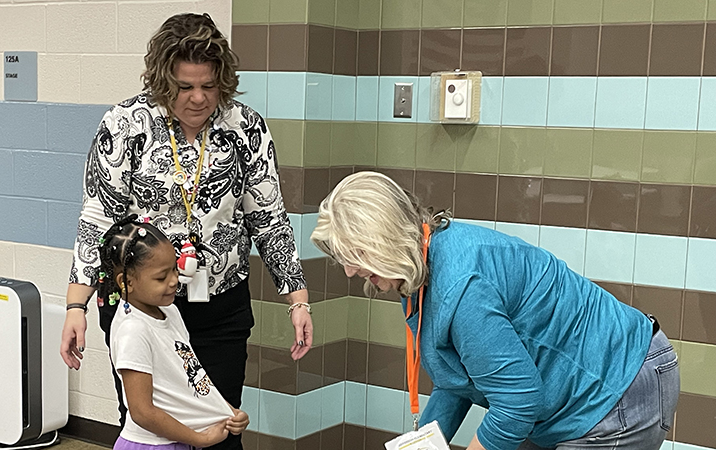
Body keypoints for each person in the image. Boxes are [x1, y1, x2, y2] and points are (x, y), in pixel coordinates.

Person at [59, 13, 312, 450]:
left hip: (219, 307)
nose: (198, 98)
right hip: (140, 310)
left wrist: (298, 301)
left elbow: (269, 218)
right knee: (148, 428)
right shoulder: (125, 124)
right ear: (162, 81)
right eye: (184, 87)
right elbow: (98, 219)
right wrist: (75, 305)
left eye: (209, 86)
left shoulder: (244, 127)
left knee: (222, 424)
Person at [310, 171, 680, 450]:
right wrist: (422, 443)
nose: (349, 271)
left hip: (620, 387)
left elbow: (517, 404)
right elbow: (459, 379)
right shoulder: (422, 266)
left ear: (387, 240)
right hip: (578, 389)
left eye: (355, 256)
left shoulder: (462, 287)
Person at [98, 215, 249, 450]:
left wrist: (227, 411)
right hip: (151, 445)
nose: (173, 281)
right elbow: (142, 412)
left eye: (174, 270)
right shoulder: (133, 330)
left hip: (177, 441)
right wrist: (200, 439)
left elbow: (188, 376)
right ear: (126, 282)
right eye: (161, 277)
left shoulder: (170, 312)